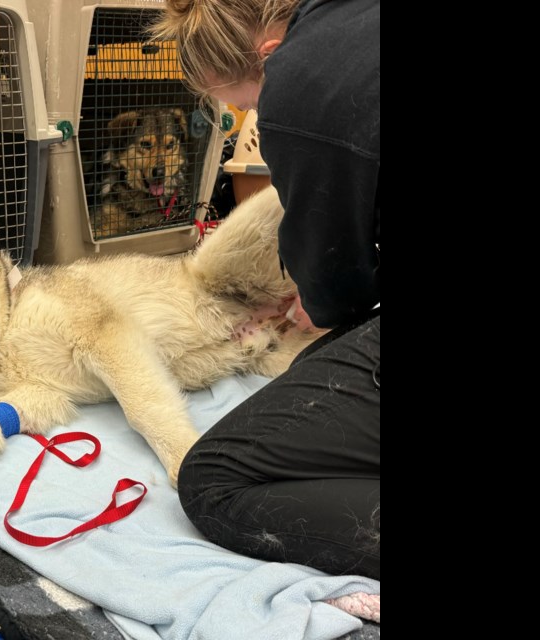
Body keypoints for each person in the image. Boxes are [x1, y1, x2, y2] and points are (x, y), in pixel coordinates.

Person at [151, 0, 380, 580]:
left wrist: (317, 290)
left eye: (248, 105)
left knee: (214, 479)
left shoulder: (300, 76)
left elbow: (334, 286)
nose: (254, 117)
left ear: (269, 58)